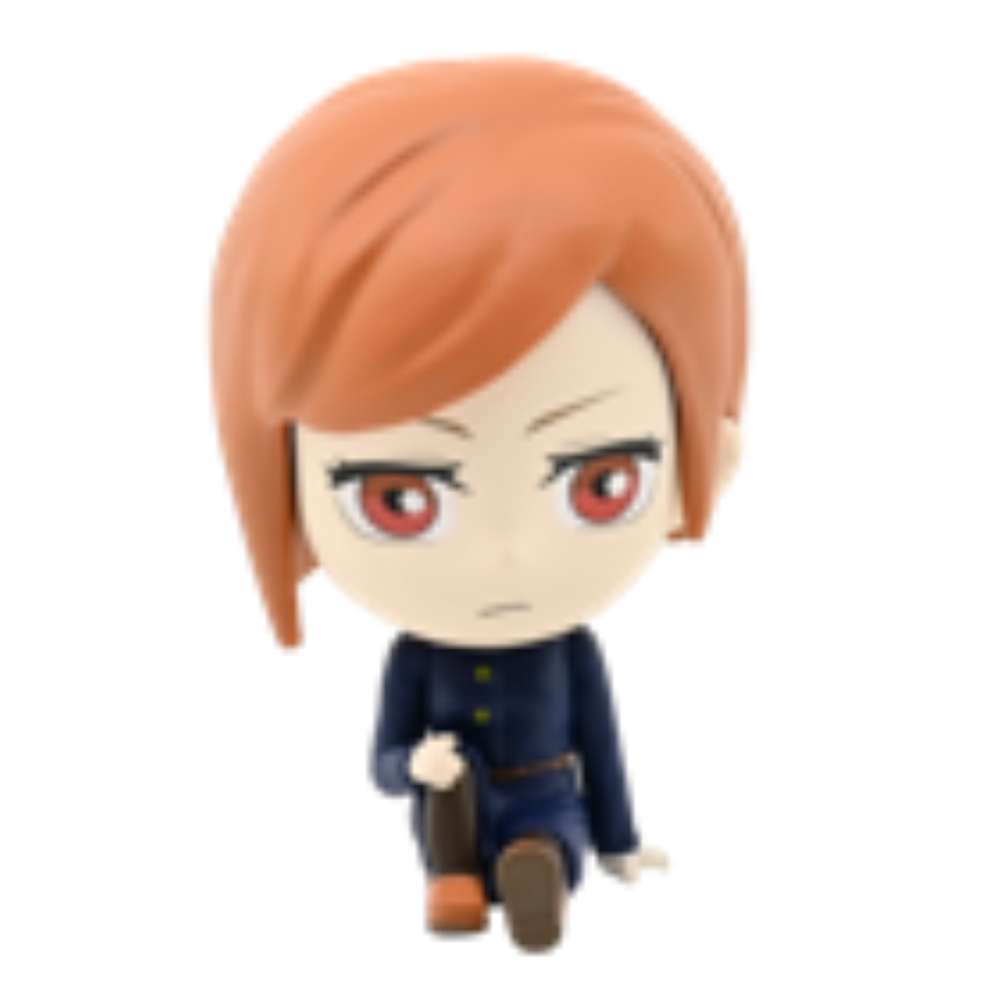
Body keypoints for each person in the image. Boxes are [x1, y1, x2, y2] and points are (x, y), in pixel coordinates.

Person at [212, 57, 748, 952]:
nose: (504, 551)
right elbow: (384, 760)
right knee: (446, 815)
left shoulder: (572, 653)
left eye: (599, 484)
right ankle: (458, 880)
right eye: (399, 499)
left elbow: (603, 751)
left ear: (710, 458)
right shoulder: (415, 660)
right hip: (450, 812)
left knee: (550, 839)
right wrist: (414, 766)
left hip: (548, 794)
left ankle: (545, 867)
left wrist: (616, 841)